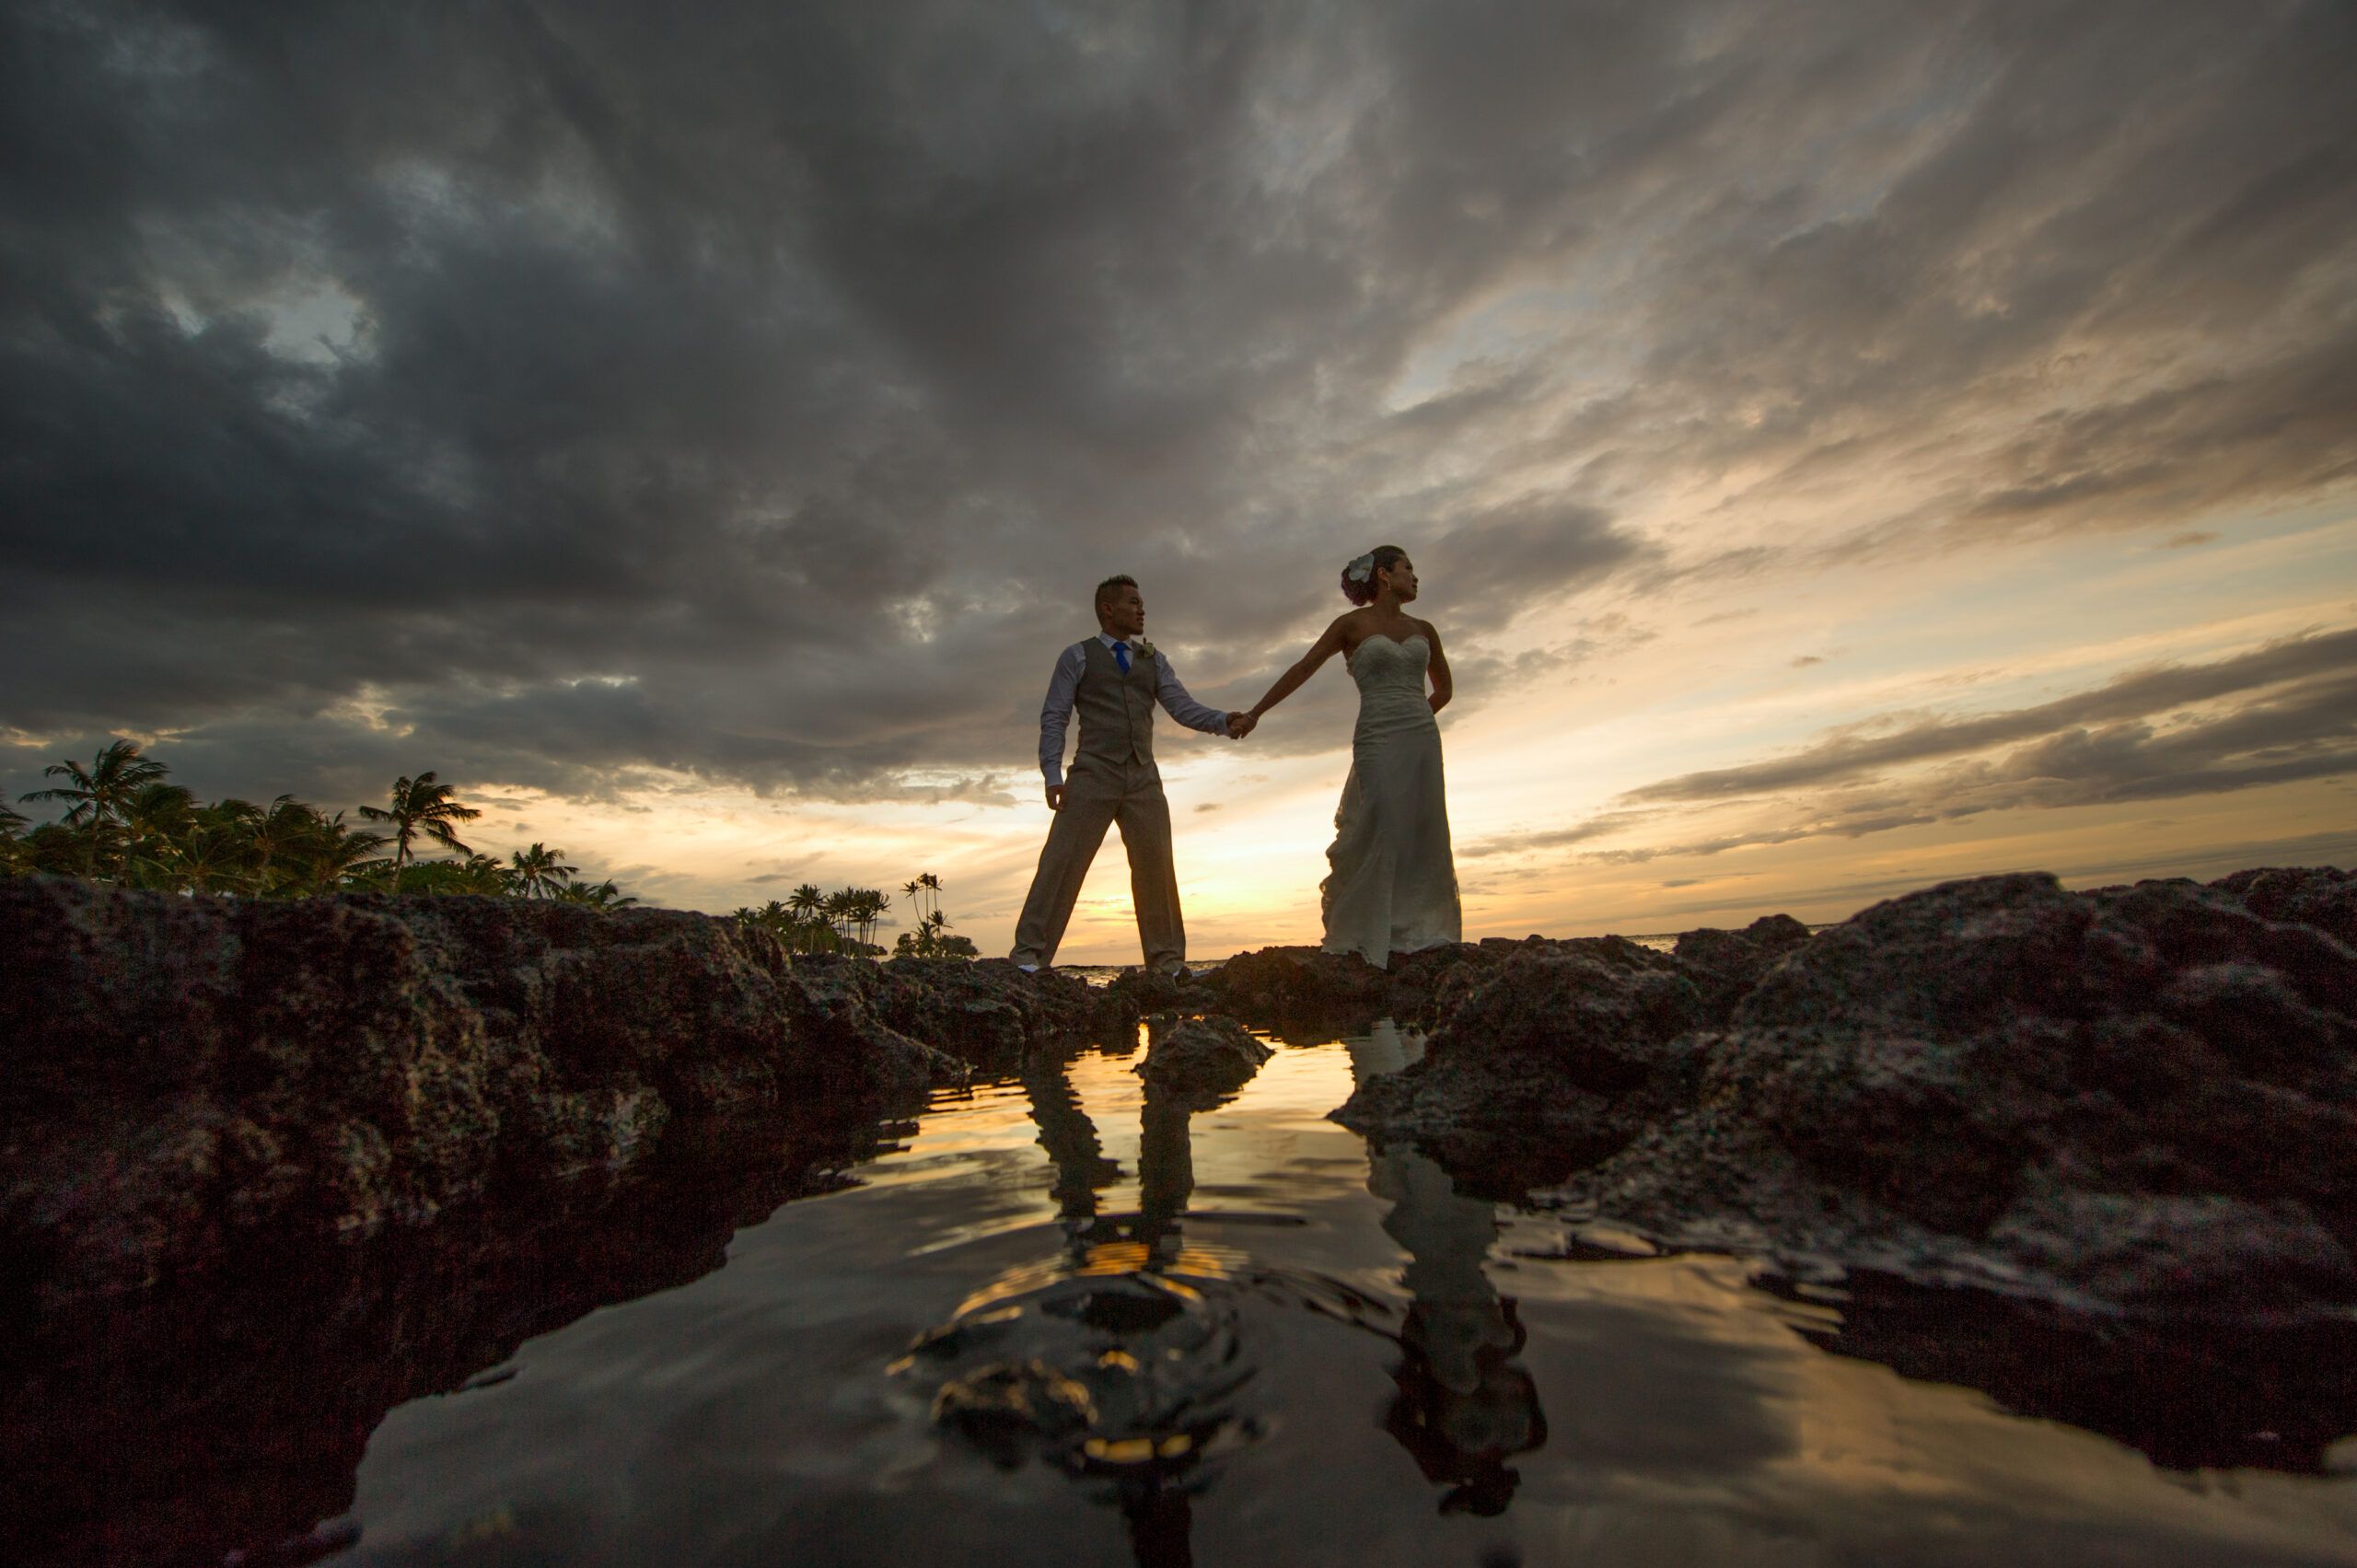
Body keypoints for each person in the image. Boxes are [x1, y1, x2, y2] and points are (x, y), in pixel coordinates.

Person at [1009, 575, 1248, 976]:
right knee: (1062, 862)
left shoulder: (1153, 659)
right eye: (1134, 603)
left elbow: (1182, 708)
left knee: (1156, 867)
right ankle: (1028, 958)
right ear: (1108, 609)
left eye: (1142, 603)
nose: (1142, 610)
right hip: (1091, 774)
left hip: (1143, 778)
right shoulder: (1077, 656)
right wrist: (1052, 773)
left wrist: (1225, 721)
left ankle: (1168, 964)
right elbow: (1055, 716)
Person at [1237, 547, 1460, 967]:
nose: (1415, 576)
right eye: (1407, 568)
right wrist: (1255, 713)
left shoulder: (1425, 629)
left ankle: (1420, 930)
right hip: (1376, 732)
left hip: (1420, 735)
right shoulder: (1350, 625)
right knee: (1382, 819)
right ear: (1383, 575)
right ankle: (1369, 930)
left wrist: (1414, 715)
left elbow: (1445, 689)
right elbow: (1304, 668)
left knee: (1423, 822)